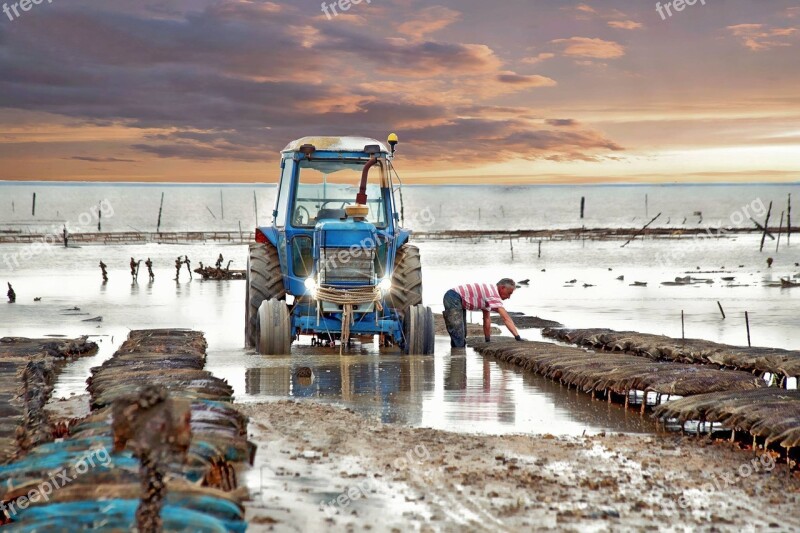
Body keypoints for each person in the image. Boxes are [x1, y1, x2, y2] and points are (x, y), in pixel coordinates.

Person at [442, 278, 523, 348]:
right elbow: (506, 318)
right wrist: (517, 337)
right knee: (458, 333)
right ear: (502, 288)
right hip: (454, 297)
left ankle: (456, 356)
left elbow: (487, 319)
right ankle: (458, 358)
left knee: (462, 334)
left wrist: (487, 340)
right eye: (509, 293)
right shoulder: (493, 294)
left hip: (458, 300)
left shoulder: (489, 294)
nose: (509, 297)